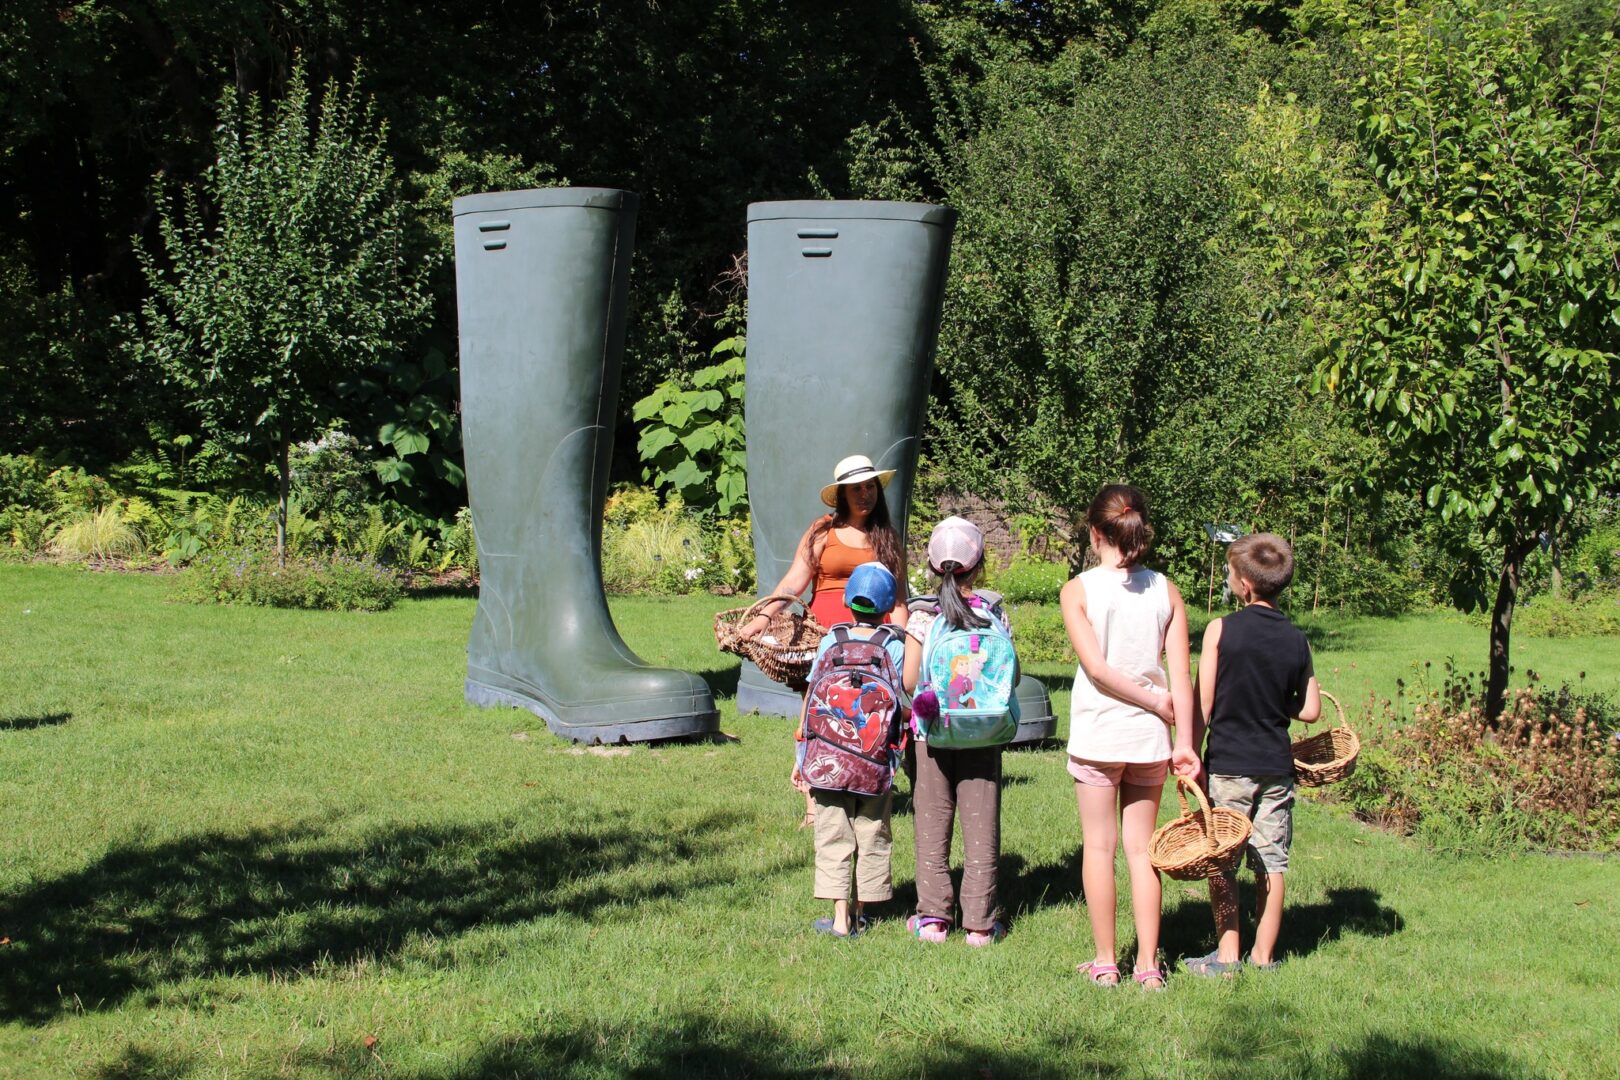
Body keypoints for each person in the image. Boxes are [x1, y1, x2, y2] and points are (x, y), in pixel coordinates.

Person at [1061, 484, 1198, 990]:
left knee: (1099, 848)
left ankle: (1105, 962)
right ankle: (1148, 966)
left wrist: (1154, 704)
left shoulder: (1078, 590)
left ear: (1095, 532)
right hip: (1149, 743)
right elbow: (1181, 678)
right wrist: (1182, 737)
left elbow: (1096, 671)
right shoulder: (1168, 590)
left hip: (1099, 736)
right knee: (1142, 852)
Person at [741, 453, 909, 824]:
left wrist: (905, 642)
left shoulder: (887, 539)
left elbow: (898, 600)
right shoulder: (823, 531)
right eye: (856, 489)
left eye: (870, 487)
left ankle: (868, 787)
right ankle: (814, 804)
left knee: (870, 720)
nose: (864, 494)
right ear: (842, 494)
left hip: (873, 644)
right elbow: (793, 582)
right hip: (826, 642)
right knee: (817, 718)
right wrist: (762, 617)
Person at [1184, 533, 1321, 977]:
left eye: (1229, 574)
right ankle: (1264, 958)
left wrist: (1191, 754)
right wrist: (1278, 701)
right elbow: (1312, 710)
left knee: (1222, 860)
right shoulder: (1297, 639)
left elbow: (1203, 704)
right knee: (1271, 861)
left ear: (1244, 585)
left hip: (1229, 765)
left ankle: (1226, 955)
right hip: (1275, 767)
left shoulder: (1221, 629)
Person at [902, 516, 1014, 946]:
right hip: (984, 732)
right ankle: (981, 924)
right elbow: (1011, 672)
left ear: (932, 567)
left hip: (932, 732)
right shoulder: (993, 611)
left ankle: (933, 919)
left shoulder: (922, 616)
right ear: (981, 563)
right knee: (981, 823)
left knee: (931, 820)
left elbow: (911, 681)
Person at [792, 561, 908, 937]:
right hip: (874, 763)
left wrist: (801, 755)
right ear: (888, 606)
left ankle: (840, 919)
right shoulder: (895, 646)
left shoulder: (831, 640)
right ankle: (863, 910)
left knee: (832, 834)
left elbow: (812, 698)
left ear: (847, 600)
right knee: (872, 832)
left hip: (828, 762)